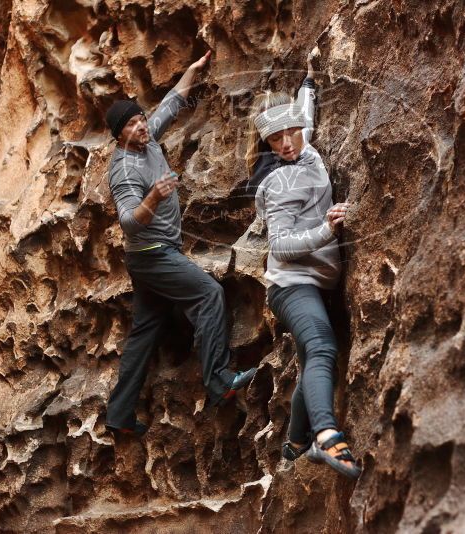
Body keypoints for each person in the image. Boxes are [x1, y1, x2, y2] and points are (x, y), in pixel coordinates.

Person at [103, 50, 256, 436]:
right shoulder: (124, 169)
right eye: (133, 124)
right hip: (153, 255)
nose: (141, 125)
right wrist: (152, 197)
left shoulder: (147, 140)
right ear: (118, 134)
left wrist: (190, 70)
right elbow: (128, 223)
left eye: (140, 119)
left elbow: (169, 106)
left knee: (145, 330)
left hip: (151, 258)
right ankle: (219, 380)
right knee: (208, 294)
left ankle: (119, 415)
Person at [246, 47, 361, 478]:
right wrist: (328, 232)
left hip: (317, 282)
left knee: (312, 357)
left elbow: (305, 116)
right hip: (292, 284)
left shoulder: (304, 144)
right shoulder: (279, 182)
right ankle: (326, 439)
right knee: (322, 348)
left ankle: (293, 445)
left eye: (291, 132)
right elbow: (280, 244)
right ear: (267, 144)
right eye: (276, 140)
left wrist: (309, 79)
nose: (288, 143)